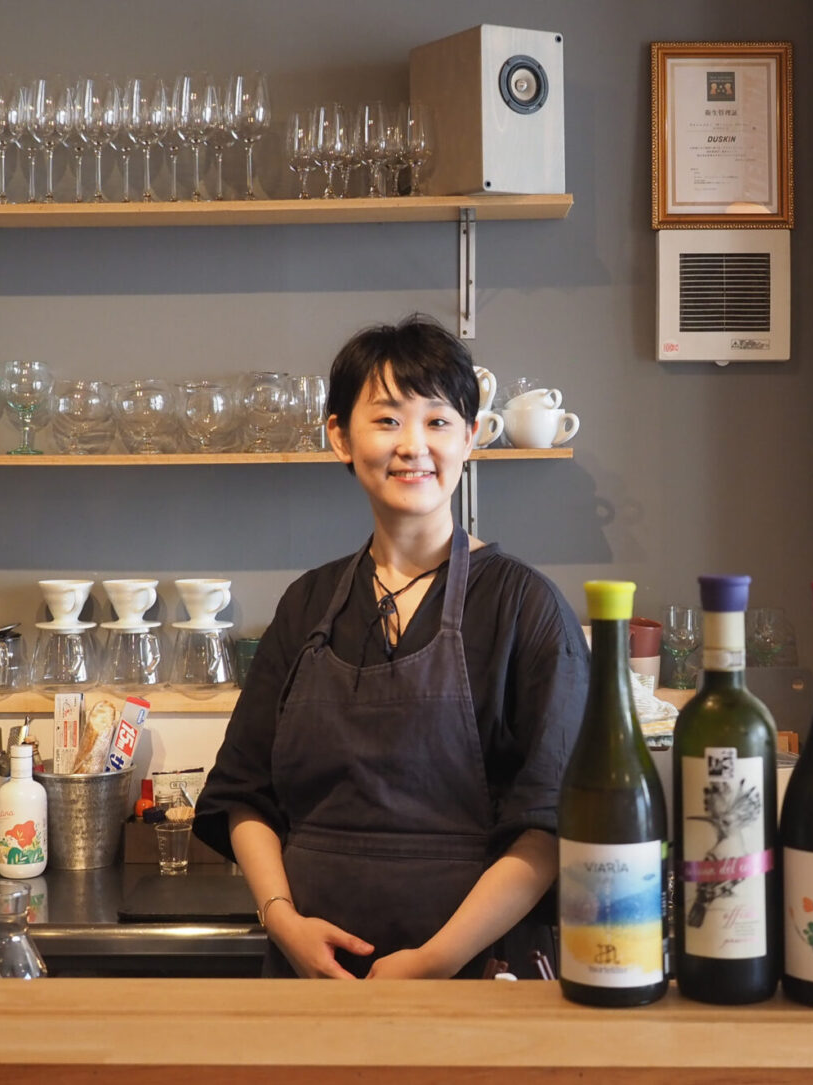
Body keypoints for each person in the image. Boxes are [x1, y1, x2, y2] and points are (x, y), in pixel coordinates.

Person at [194, 314, 588, 979]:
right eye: (386, 420)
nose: (413, 445)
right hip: (311, 978)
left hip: (475, 978)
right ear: (340, 437)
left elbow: (552, 821)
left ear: (470, 437)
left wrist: (436, 960)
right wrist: (283, 922)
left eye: (438, 421)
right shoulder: (307, 603)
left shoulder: (526, 606)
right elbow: (245, 792)